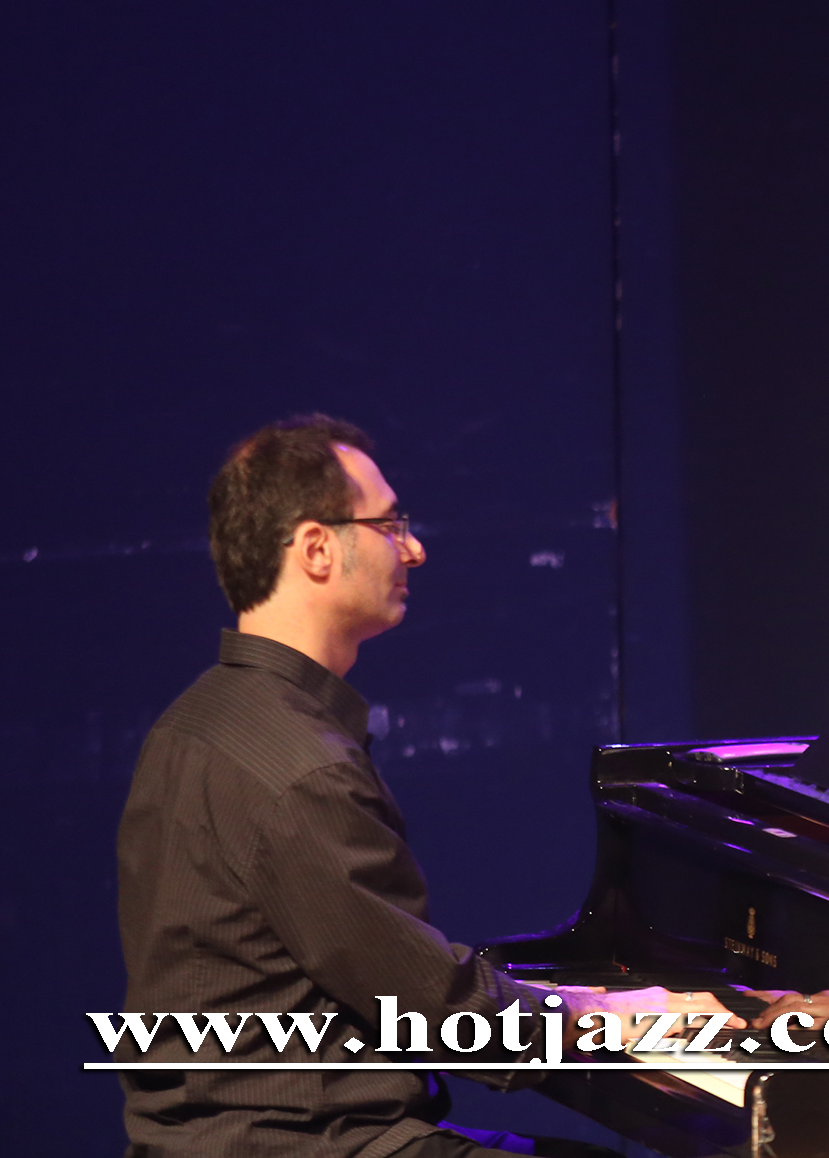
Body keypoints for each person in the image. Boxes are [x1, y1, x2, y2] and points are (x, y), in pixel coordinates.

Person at [116, 416, 735, 1158]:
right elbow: (430, 1006)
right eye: (389, 525)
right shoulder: (302, 767)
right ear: (316, 549)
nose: (414, 549)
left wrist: (569, 1004)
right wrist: (606, 1017)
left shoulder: (193, 722)